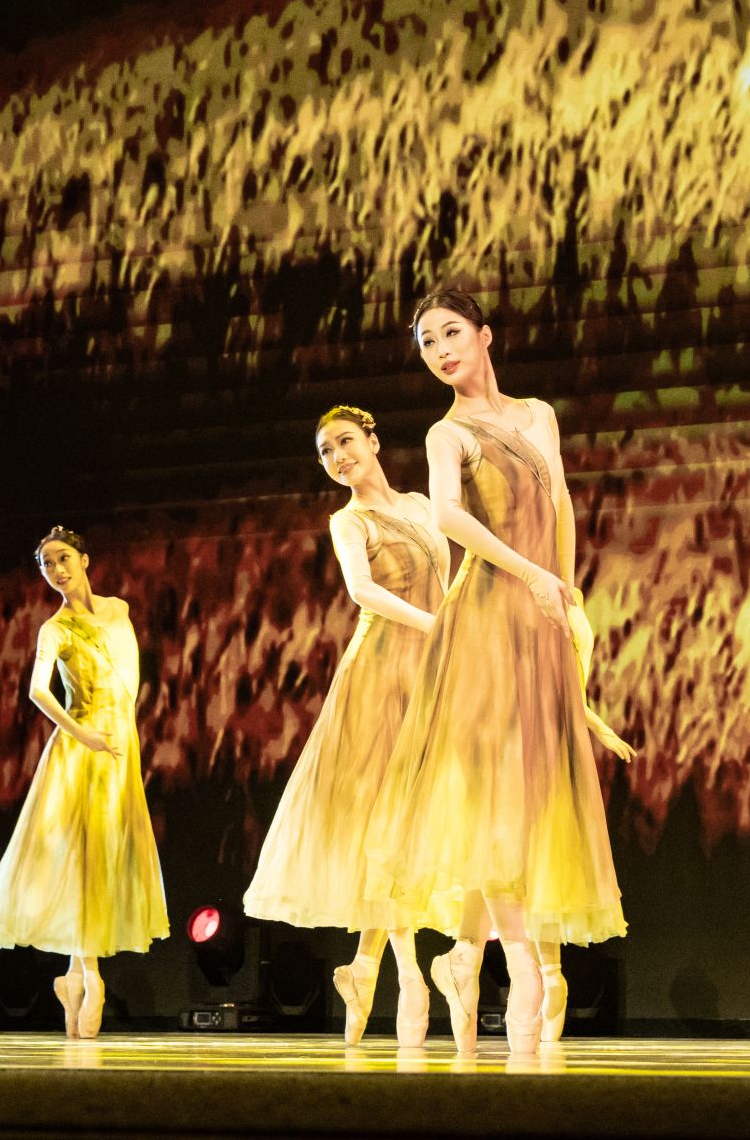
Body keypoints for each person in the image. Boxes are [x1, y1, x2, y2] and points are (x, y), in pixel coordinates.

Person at [363, 289, 627, 1056]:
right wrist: (530, 573)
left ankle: (467, 950)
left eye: (451, 332)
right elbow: (448, 515)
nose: (441, 349)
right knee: (493, 794)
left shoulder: (537, 415)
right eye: (427, 342)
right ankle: (520, 965)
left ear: (484, 334)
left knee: (533, 792)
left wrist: (564, 591)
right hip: (483, 617)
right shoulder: (448, 433)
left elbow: (561, 501)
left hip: (537, 619)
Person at [244, 406, 448, 1046]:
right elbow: (362, 591)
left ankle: (363, 967)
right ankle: (409, 978)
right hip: (381, 671)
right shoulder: (348, 520)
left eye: (346, 441)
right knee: (384, 820)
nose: (337, 456)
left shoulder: (420, 505)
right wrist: (438, 627)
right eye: (326, 450)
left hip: (432, 668)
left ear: (374, 441)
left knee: (411, 818)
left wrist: (463, 631)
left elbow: (450, 578)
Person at [0, 526, 169, 1037]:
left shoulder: (118, 610)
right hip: (80, 750)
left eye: (63, 558)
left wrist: (120, 733)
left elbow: (128, 679)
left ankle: (72, 977)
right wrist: (83, 733)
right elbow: (37, 691)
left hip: (119, 749)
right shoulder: (56, 628)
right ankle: (89, 976)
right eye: (46, 564)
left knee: (102, 858)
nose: (56, 570)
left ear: (84, 559)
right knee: (82, 859)